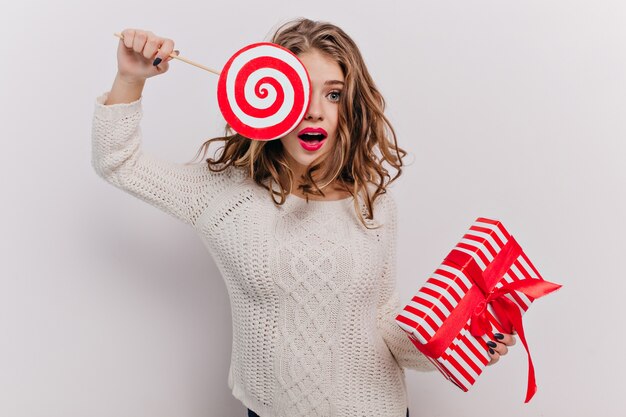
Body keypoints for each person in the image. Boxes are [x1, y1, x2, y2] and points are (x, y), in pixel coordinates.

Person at [92, 18, 516, 417]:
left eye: (333, 94)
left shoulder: (373, 202)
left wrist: (458, 336)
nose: (316, 111)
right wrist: (131, 78)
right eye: (302, 91)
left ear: (351, 107)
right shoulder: (224, 194)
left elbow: (382, 322)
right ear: (267, 95)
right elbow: (119, 162)